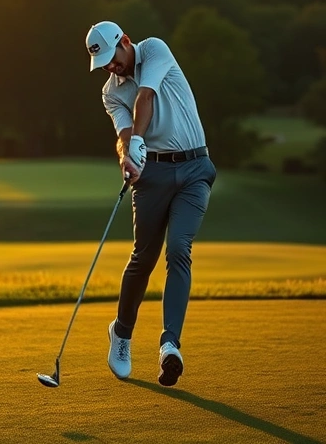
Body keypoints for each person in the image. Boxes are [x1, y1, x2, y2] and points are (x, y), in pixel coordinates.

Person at [85, 20, 216, 387]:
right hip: (152, 175)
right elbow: (125, 134)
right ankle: (122, 334)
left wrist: (138, 141)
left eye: (114, 58)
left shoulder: (154, 49)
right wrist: (128, 157)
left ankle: (170, 346)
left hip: (195, 170)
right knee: (143, 257)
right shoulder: (110, 93)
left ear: (125, 42)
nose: (112, 68)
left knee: (179, 249)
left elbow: (146, 96)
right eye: (105, 65)